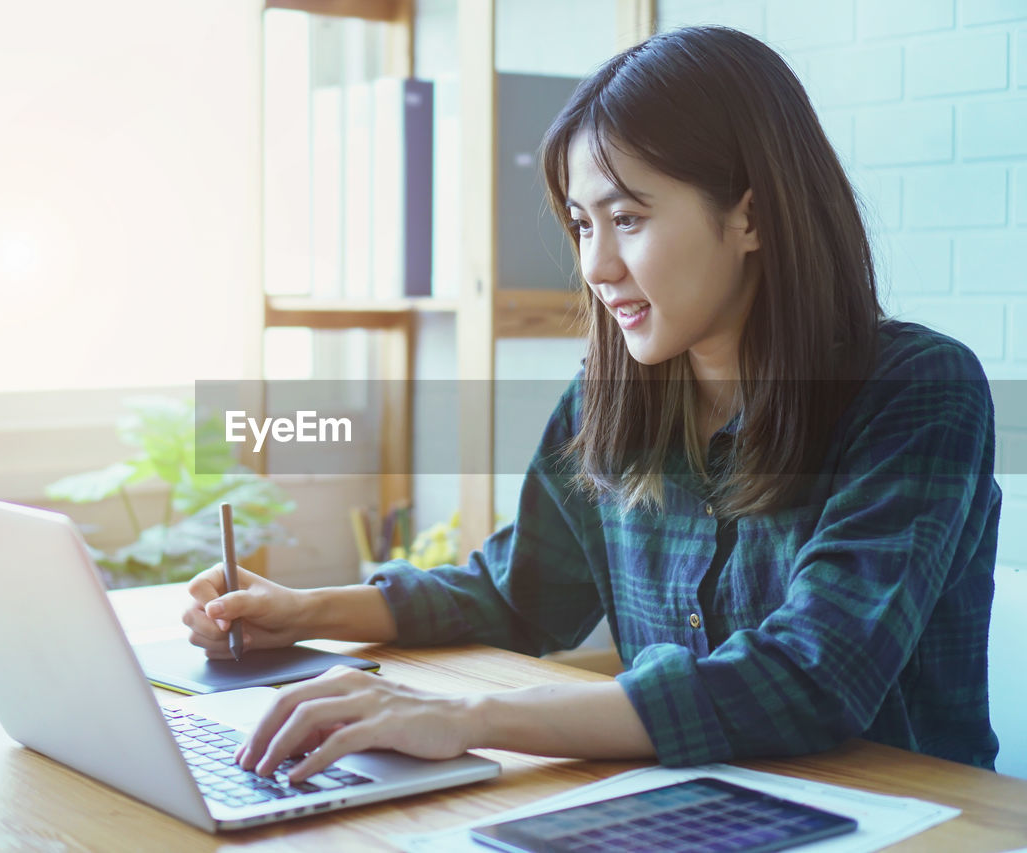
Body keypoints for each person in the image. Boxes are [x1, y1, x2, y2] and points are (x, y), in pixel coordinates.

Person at [183, 25, 1001, 784]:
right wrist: (303, 611)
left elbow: (812, 674)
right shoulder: (610, 400)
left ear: (750, 215)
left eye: (629, 218)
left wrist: (463, 715)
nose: (597, 265)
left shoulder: (917, 393)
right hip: (694, 804)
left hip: (903, 816)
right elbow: (518, 591)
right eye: (582, 223)